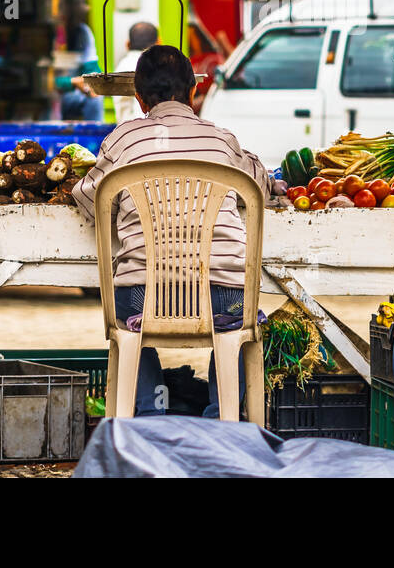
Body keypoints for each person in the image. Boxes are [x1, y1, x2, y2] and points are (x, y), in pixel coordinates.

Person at [72, 44, 274, 418]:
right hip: (224, 299)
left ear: (138, 98)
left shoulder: (122, 139)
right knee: (234, 333)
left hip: (141, 299)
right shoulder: (222, 140)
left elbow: (89, 197)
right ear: (194, 92)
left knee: (127, 327)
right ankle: (221, 418)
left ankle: (150, 416)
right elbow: (260, 187)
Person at [112, 21, 158, 124]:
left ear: (127, 44)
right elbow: (141, 114)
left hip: (123, 131)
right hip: (146, 131)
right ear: (158, 43)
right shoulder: (153, 66)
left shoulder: (121, 66)